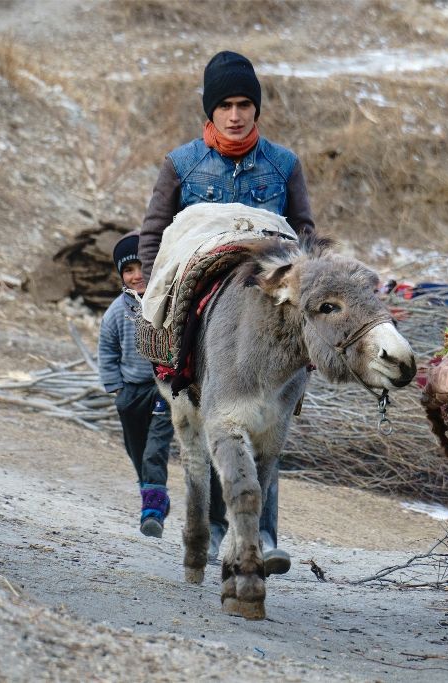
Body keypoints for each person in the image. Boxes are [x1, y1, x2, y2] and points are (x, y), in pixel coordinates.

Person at [138, 50, 314, 576]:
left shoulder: (284, 165)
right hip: (205, 297)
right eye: (226, 106)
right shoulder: (182, 163)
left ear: (256, 111)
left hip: (265, 303)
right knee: (215, 413)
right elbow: (156, 233)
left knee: (270, 417)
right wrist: (156, 292)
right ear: (209, 112)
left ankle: (262, 534)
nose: (235, 115)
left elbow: (304, 232)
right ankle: (218, 534)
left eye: (244, 105)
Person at [98, 232, 175, 538]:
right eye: (128, 270)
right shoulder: (116, 313)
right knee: (137, 450)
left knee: (155, 450)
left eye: (142, 267)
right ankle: (154, 494)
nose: (136, 275)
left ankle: (152, 511)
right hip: (130, 392)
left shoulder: (168, 305)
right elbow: (107, 351)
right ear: (121, 276)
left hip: (162, 388)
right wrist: (116, 389)